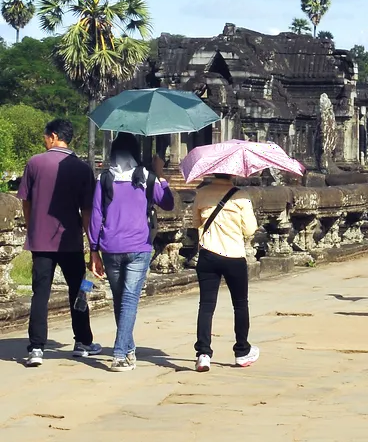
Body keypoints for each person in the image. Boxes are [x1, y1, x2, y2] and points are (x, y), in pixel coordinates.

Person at [88, 133, 175, 371]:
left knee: (121, 299)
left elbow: (96, 216)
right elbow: (168, 203)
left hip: (110, 246)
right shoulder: (147, 178)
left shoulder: (103, 178)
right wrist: (161, 176)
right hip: (139, 246)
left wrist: (93, 250)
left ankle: (126, 350)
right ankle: (121, 353)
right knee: (127, 299)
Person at [18, 119, 100, 367]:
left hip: (40, 240)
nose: (44, 141)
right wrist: (92, 244)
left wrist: (33, 226)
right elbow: (87, 210)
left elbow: (26, 201)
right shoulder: (82, 168)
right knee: (78, 291)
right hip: (70, 239)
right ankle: (83, 342)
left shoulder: (35, 163)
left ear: (53, 136)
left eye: (45, 137)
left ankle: (36, 347)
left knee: (40, 293)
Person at [193, 172, 260, 371]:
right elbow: (249, 229)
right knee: (240, 304)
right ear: (233, 174)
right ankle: (241, 351)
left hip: (208, 254)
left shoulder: (202, 193)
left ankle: (203, 353)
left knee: (206, 305)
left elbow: (196, 222)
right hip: (233, 255)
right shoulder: (242, 196)